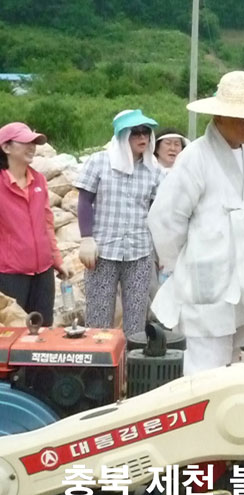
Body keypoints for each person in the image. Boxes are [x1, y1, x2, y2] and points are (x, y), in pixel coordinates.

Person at [147, 71, 244, 375]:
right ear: (220, 116)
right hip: (208, 286)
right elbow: (165, 220)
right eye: (242, 117)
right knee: (207, 373)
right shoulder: (195, 157)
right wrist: (186, 265)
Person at [74, 109, 163, 336]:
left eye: (146, 132)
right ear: (123, 136)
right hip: (103, 251)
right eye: (136, 133)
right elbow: (85, 201)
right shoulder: (99, 162)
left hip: (139, 251)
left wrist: (161, 250)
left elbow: (157, 210)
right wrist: (86, 238)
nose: (143, 137)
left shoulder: (153, 170)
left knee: (136, 318)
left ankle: (131, 356)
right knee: (99, 316)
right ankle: (100, 358)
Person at [0, 122, 68, 325]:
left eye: (34, 143)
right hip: (10, 274)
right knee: (13, 332)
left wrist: (57, 259)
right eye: (25, 142)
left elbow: (47, 224)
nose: (32, 147)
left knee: (43, 330)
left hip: (43, 273)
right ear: (6, 147)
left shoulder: (38, 180)